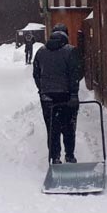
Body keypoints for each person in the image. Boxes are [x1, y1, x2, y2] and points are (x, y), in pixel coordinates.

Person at [33, 23, 80, 164]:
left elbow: (36, 74)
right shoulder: (71, 51)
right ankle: (70, 156)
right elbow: (75, 75)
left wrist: (43, 90)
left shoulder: (40, 52)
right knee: (68, 127)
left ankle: (55, 157)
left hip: (47, 97)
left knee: (52, 128)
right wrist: (73, 94)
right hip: (66, 96)